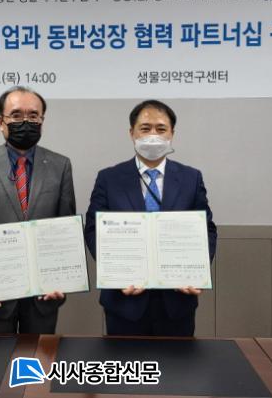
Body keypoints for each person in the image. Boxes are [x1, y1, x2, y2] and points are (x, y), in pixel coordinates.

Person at [84, 99, 217, 337]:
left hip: (177, 301)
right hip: (124, 302)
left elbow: (206, 229)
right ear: (132, 133)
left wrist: (196, 273)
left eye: (161, 128)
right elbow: (94, 230)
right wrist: (116, 274)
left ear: (172, 134)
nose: (153, 135)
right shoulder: (109, 178)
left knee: (178, 361)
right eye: (145, 128)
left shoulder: (191, 178)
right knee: (125, 361)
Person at [0, 86, 76, 333]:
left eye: (33, 115)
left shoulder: (60, 165)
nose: (25, 122)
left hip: (44, 293)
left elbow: (65, 228)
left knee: (38, 355)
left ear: (42, 121)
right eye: (16, 115)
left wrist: (62, 280)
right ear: (1, 122)